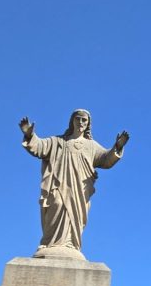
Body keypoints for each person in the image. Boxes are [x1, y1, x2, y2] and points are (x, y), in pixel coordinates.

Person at [19, 110, 129, 258]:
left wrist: (118, 147)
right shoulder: (58, 142)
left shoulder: (91, 146)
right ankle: (51, 243)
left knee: (76, 217)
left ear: (88, 124)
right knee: (56, 204)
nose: (81, 122)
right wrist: (29, 135)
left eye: (84, 120)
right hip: (59, 184)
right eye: (78, 119)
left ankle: (71, 244)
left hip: (79, 191)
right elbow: (39, 146)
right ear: (72, 121)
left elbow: (106, 159)